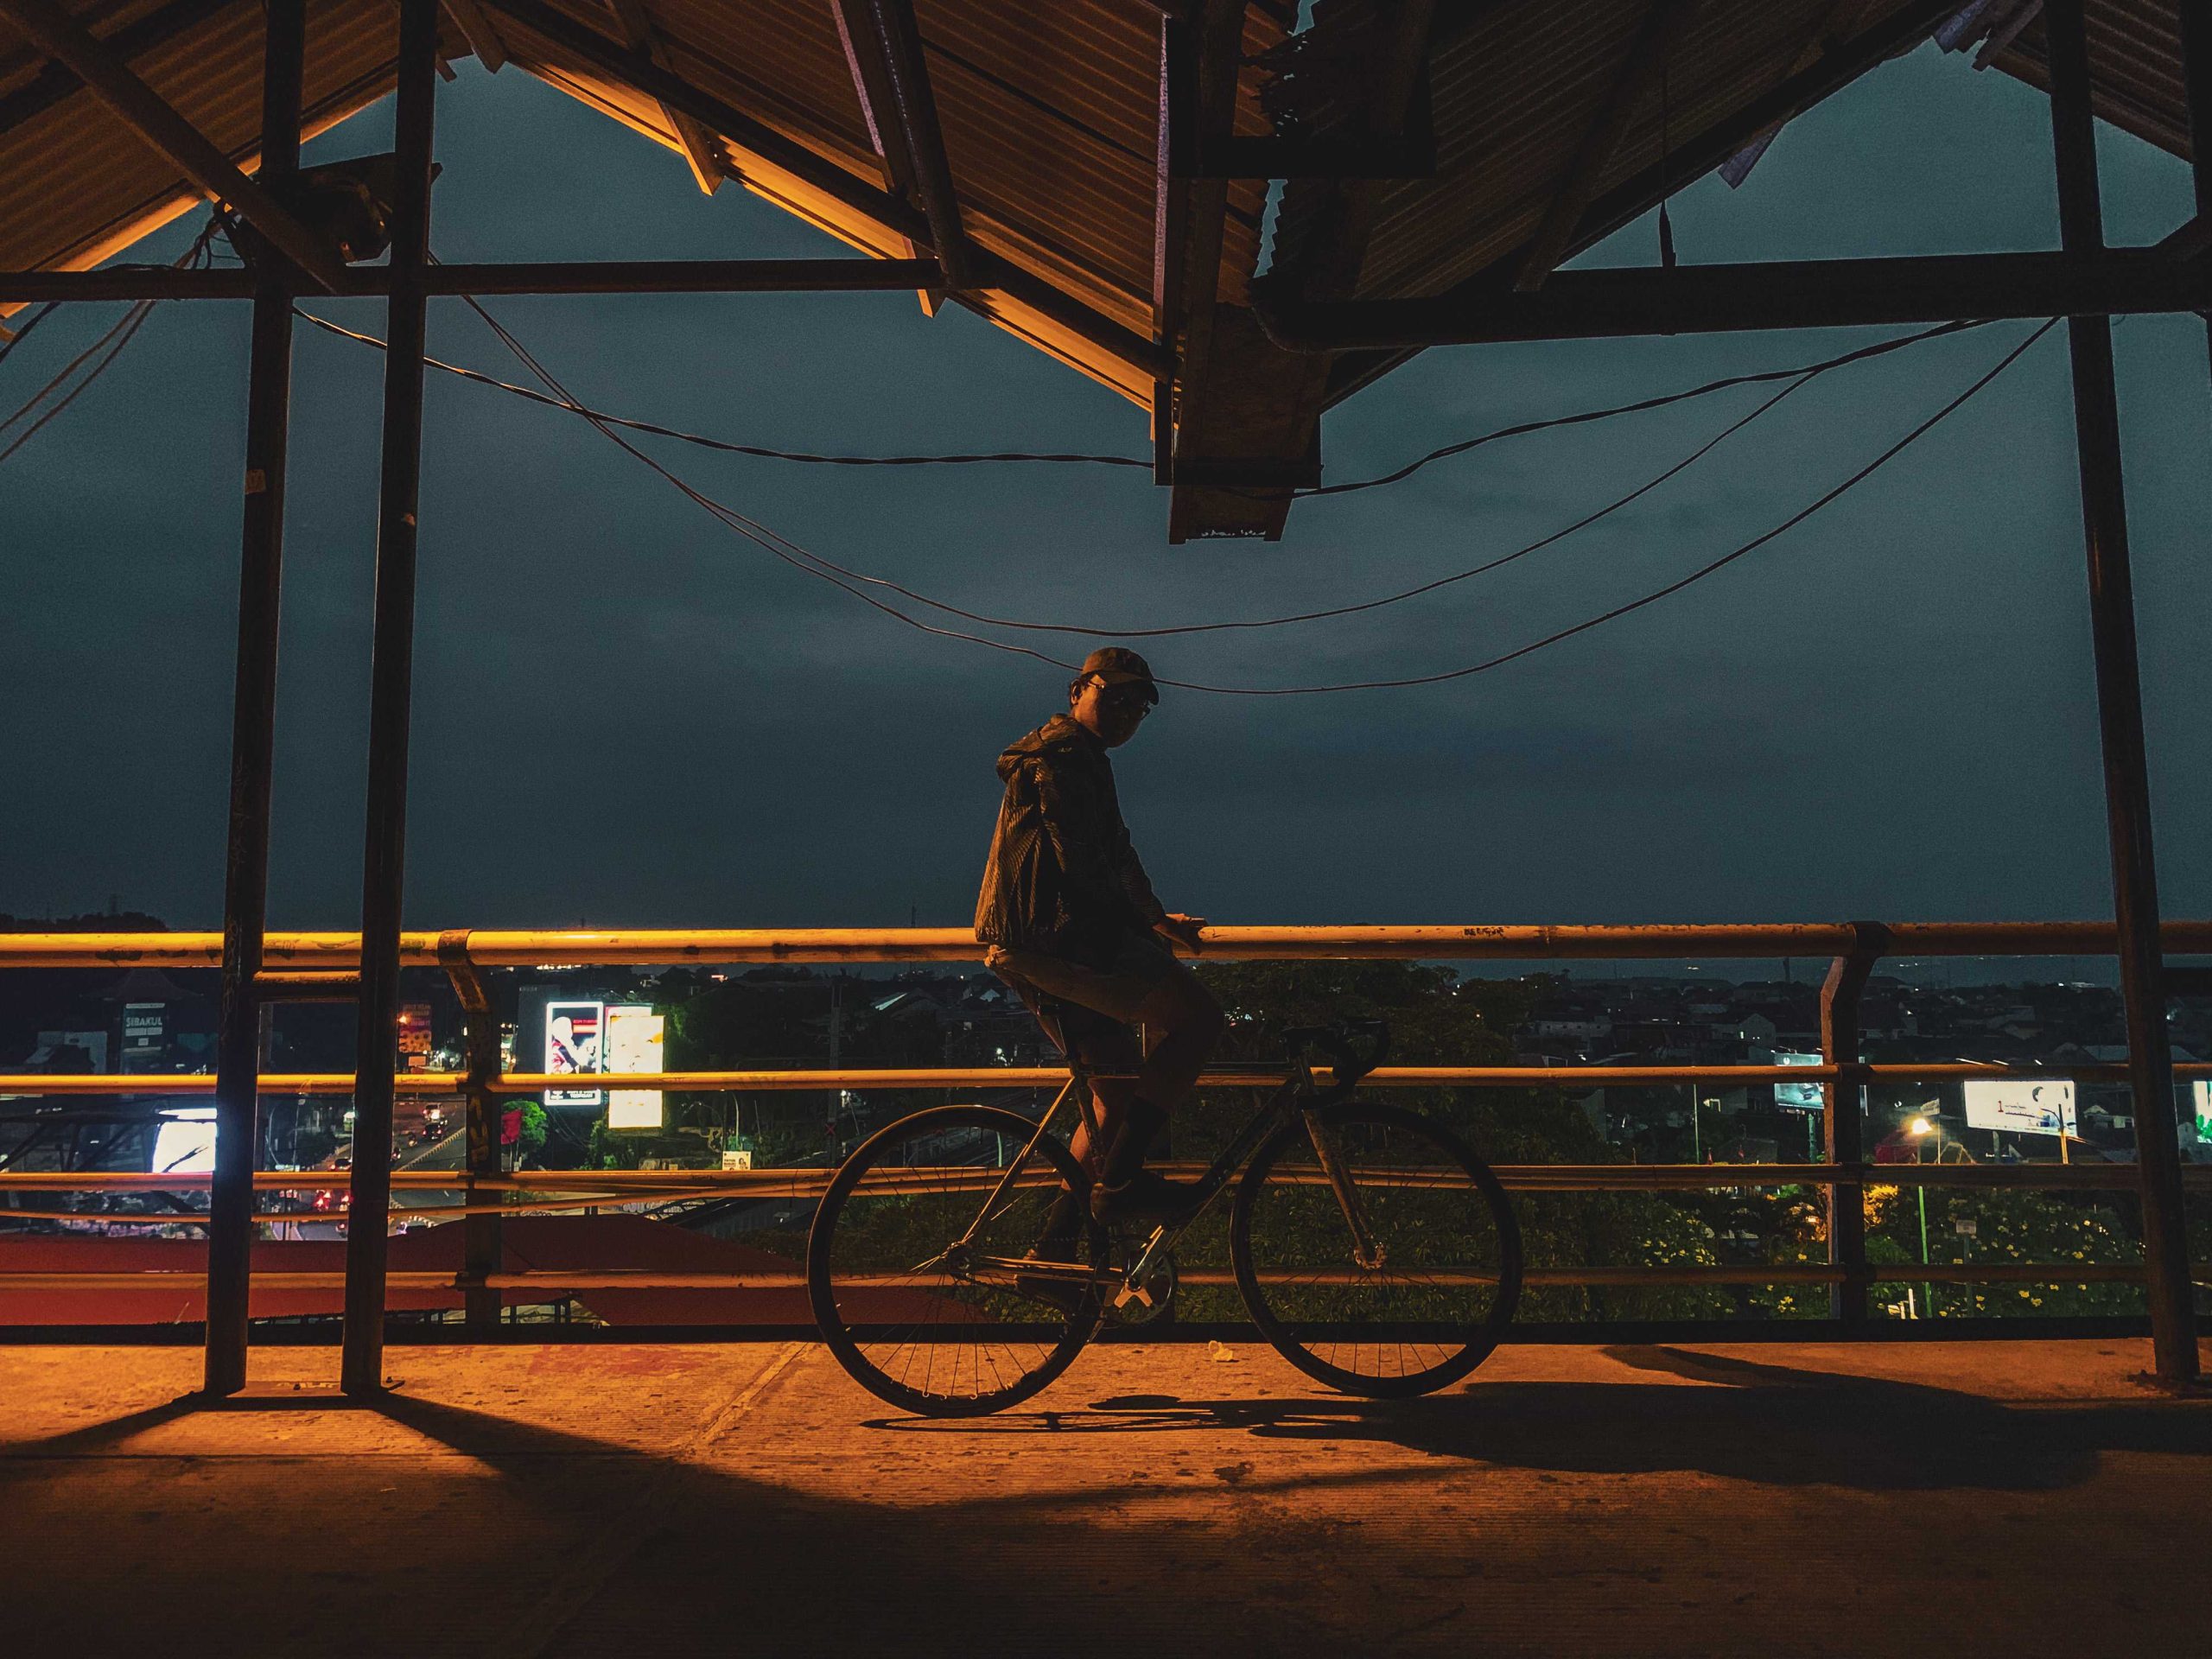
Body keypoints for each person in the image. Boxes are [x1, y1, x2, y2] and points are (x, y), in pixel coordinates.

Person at [975, 645, 1224, 1247]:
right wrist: (1144, 933)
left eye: (1138, 707)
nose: (1126, 713)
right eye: (1113, 697)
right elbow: (1084, 863)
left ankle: (1054, 1254)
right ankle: (1121, 1186)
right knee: (1200, 1023)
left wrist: (1156, 919)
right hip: (1056, 942)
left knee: (1114, 1092)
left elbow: (1117, 853)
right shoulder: (1060, 759)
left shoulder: (1083, 758)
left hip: (1044, 944)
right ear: (1076, 691)